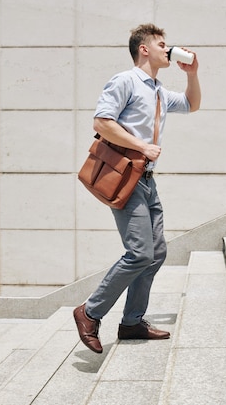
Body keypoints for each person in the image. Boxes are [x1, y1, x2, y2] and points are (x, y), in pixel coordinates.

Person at [74, 23, 200, 354]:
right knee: (140, 252)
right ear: (144, 49)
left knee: (156, 253)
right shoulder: (126, 81)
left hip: (147, 180)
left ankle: (132, 322)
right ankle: (89, 312)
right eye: (162, 44)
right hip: (126, 176)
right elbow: (102, 122)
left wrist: (192, 74)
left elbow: (191, 104)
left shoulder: (157, 90)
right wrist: (142, 147)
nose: (167, 49)